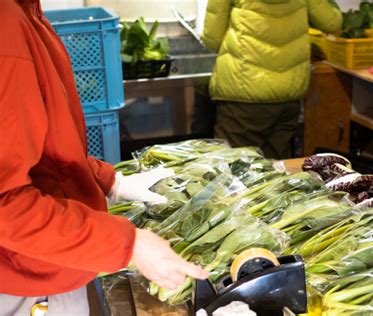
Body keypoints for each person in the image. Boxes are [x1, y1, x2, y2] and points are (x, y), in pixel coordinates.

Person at [0, 0, 207, 314]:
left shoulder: (22, 12)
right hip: (25, 281)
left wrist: (111, 180)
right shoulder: (6, 27)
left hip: (43, 267)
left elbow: (43, 148)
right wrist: (128, 244)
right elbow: (6, 205)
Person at [201, 0, 343, 159]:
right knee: (276, 171)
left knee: (234, 168)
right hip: (288, 92)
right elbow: (332, 23)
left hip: (243, 92)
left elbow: (212, 40)